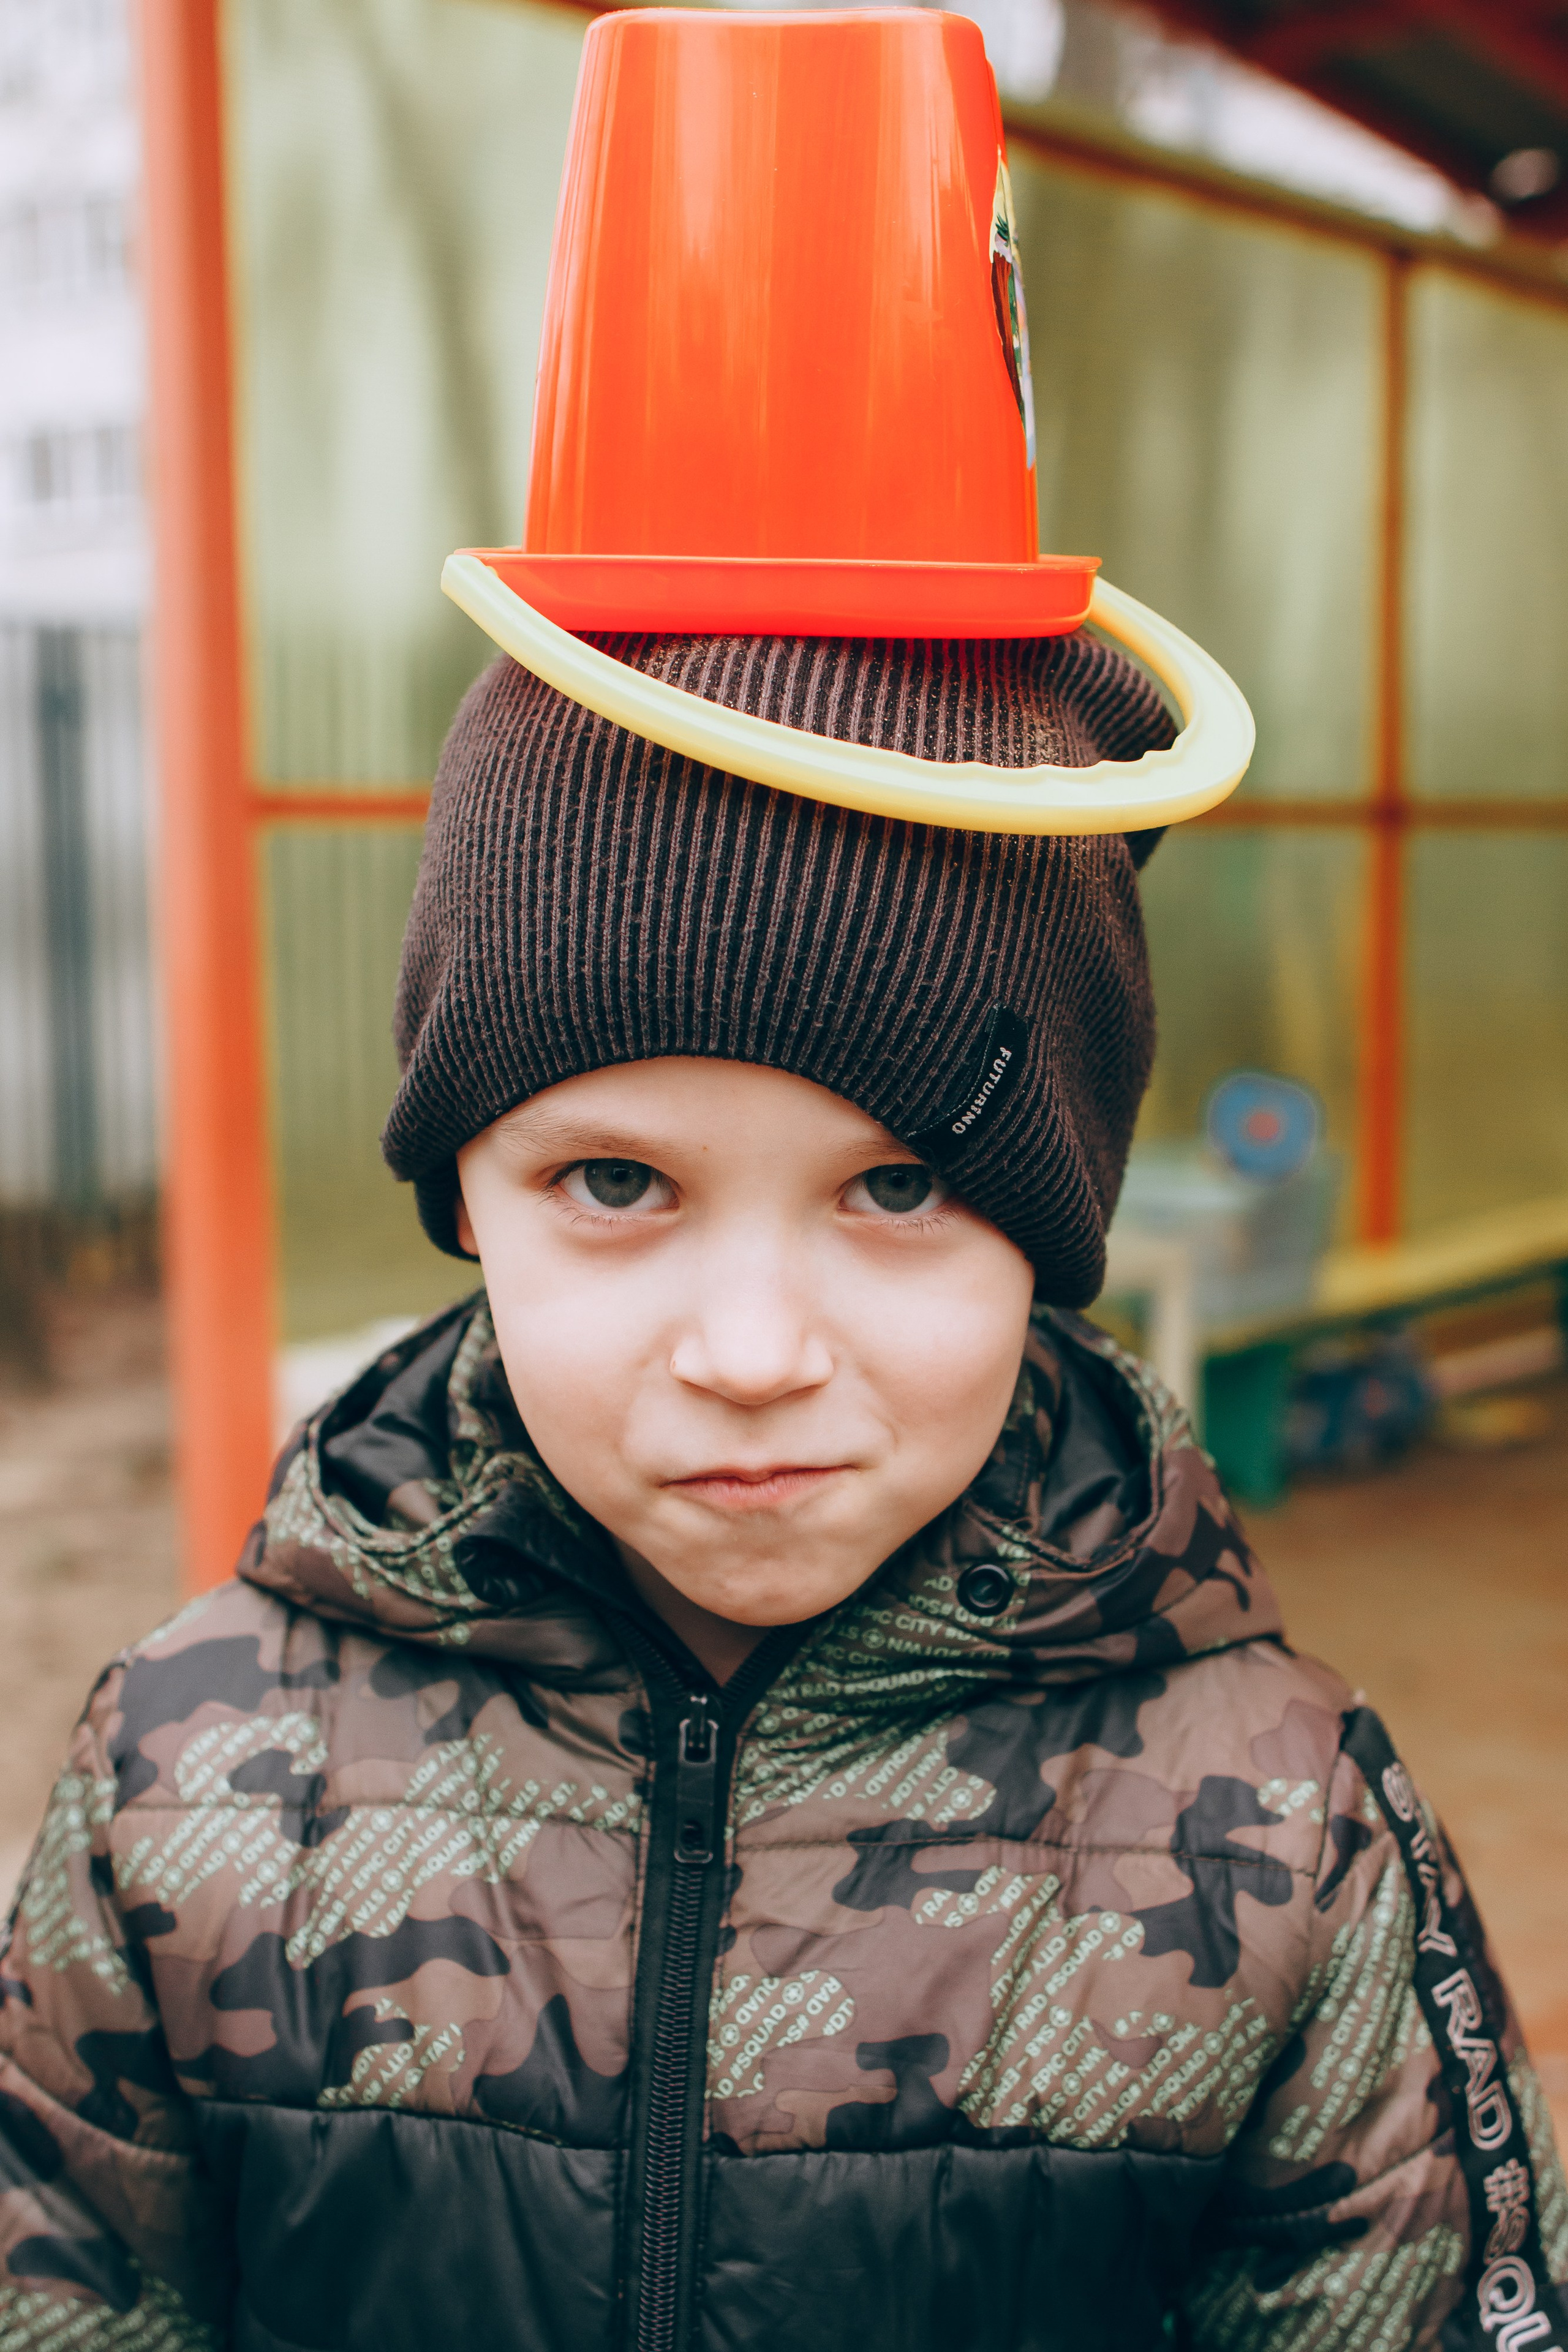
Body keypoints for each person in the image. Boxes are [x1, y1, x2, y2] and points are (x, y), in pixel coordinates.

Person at [4, 10, 1562, 2346]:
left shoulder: (1288, 1836)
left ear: (1056, 1216)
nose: (749, 1353)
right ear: (464, 1195)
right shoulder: (190, 1776)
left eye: (903, 1190)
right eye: (617, 1184)